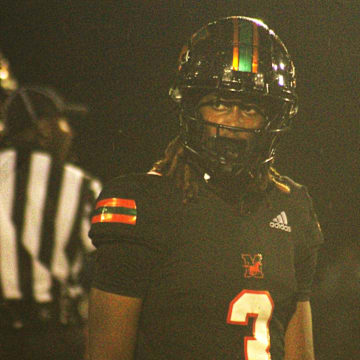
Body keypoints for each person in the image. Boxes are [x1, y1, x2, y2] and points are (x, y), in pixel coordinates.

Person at [89, 16, 323, 360]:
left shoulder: (292, 206)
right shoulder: (142, 203)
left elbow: (300, 354)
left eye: (250, 108)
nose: (232, 123)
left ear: (272, 119)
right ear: (190, 106)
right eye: (219, 104)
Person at [0, 85, 101, 359]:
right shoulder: (78, 185)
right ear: (44, 128)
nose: (70, 132)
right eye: (63, 122)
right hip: (53, 337)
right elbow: (100, 264)